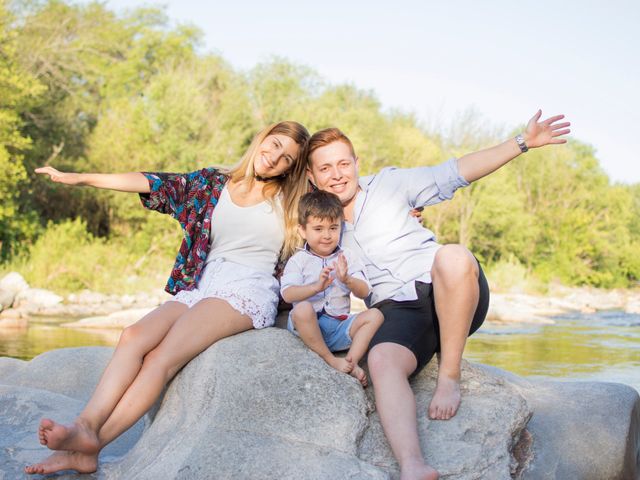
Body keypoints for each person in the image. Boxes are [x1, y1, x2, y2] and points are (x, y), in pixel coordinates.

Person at [25, 121, 310, 475]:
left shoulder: (295, 200)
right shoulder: (213, 183)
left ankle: (93, 444)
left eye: (287, 158)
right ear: (262, 138)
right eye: (274, 144)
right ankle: (85, 426)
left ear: (292, 168)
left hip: (247, 288)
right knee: (133, 336)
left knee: (161, 357)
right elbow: (154, 182)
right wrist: (81, 177)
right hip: (203, 283)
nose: (274, 158)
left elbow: (337, 203)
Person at [305, 110, 570, 480]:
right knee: (381, 361)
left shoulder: (391, 186)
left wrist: (522, 143)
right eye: (326, 168)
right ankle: (413, 466)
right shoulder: (317, 227)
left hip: (450, 285)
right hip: (396, 308)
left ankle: (449, 375)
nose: (337, 174)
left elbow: (457, 171)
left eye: (343, 163)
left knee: (453, 255)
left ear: (356, 163)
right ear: (312, 177)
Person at [280, 190, 383, 387]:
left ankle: (351, 362)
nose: (327, 235)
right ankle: (330, 359)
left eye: (333, 228)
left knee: (375, 315)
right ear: (302, 230)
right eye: (318, 229)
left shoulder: (347, 256)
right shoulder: (298, 260)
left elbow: (364, 292)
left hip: (338, 328)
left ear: (340, 227)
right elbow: (288, 293)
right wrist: (315, 287)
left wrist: (347, 280)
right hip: (309, 328)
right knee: (302, 309)